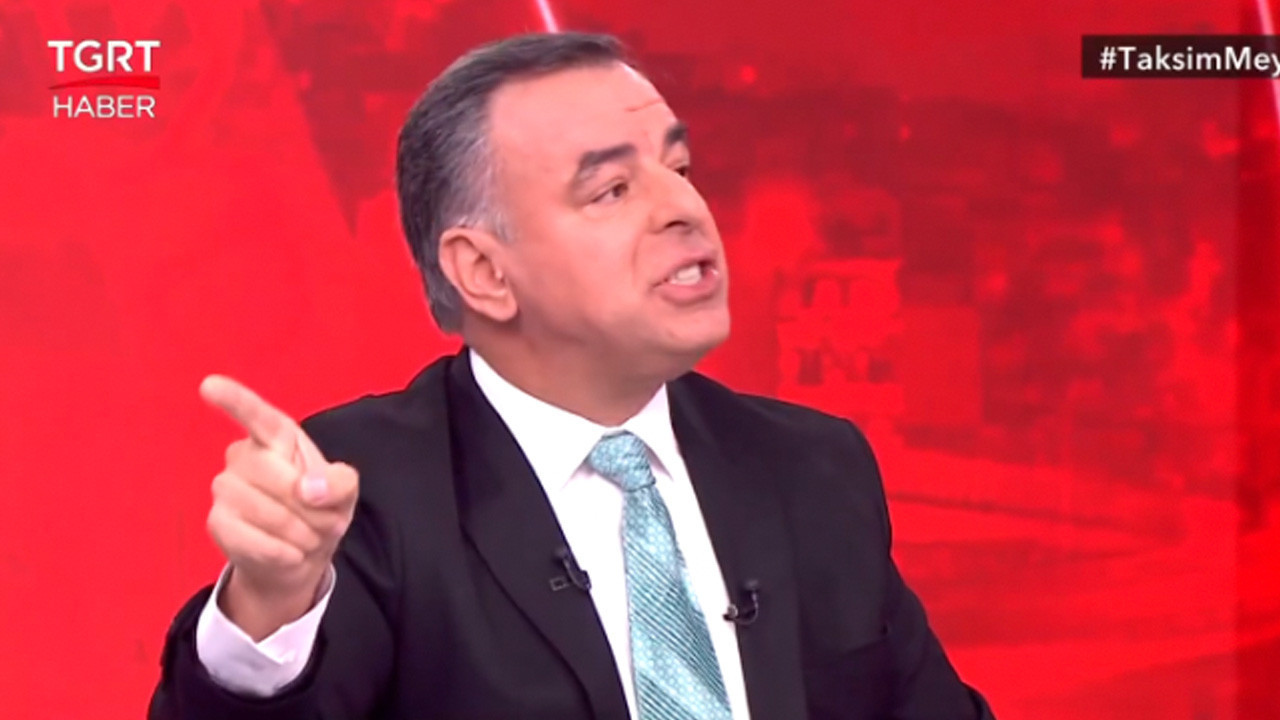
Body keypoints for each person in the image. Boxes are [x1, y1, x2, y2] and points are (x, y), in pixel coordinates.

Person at [149, 31, 995, 720]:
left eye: (680, 169)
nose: (684, 209)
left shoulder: (812, 467)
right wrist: (273, 602)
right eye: (612, 190)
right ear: (485, 272)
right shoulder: (364, 489)